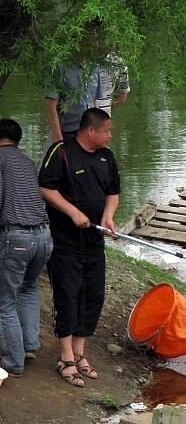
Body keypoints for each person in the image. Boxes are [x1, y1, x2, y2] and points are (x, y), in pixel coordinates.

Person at [38, 107, 119, 388]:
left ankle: (80, 352)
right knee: (68, 297)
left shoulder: (107, 157)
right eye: (107, 130)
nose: (110, 135)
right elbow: (45, 188)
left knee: (93, 297)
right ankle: (66, 357)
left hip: (95, 243)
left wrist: (108, 215)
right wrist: (72, 211)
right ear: (91, 131)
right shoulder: (61, 152)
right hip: (65, 244)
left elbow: (113, 192)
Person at [0, 118, 52, 377]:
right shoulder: (28, 162)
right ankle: (29, 345)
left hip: (17, 237)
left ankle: (12, 361)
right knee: (29, 288)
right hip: (43, 237)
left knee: (4, 302)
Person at [44, 61, 103, 145]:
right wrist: (59, 143)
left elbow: (94, 102)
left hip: (90, 135)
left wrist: (100, 133)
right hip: (67, 134)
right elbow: (51, 107)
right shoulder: (59, 67)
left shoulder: (94, 67)